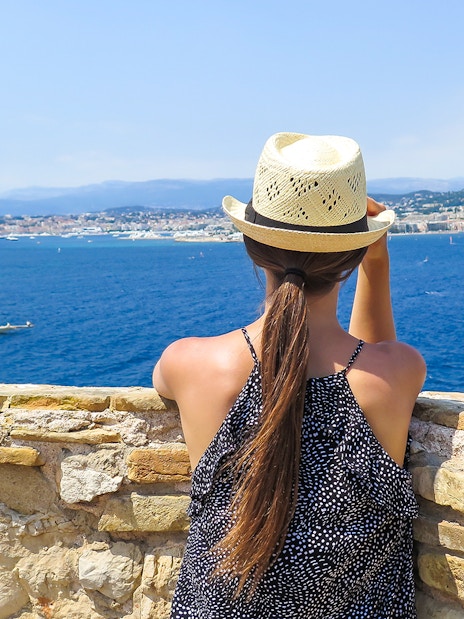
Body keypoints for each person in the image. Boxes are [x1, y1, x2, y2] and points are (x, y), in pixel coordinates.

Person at [153, 132, 426, 618]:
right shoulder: (397, 373)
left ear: (252, 246)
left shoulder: (188, 363)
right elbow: (372, 352)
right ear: (353, 256)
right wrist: (376, 262)